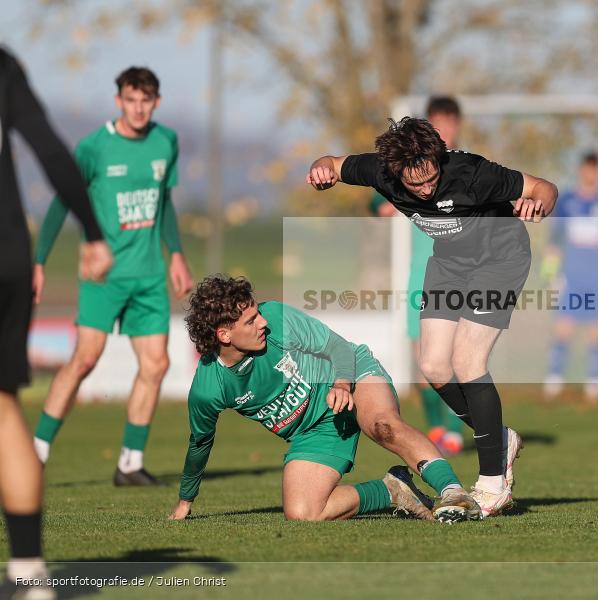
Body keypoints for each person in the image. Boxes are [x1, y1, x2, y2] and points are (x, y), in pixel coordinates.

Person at [307, 117, 558, 516]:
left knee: (468, 361)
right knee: (433, 366)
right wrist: (321, 169)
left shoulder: (472, 172)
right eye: (415, 184)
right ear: (394, 172)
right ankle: (499, 439)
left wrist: (539, 203)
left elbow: (544, 187)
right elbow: (333, 162)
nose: (426, 189)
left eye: (432, 179)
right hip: (450, 264)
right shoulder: (380, 170)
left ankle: (494, 484)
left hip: (500, 260)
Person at [168, 275, 480, 524]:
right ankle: (392, 491)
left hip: (351, 375)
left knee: (383, 425)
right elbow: (200, 443)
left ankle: (453, 493)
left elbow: (338, 346)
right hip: (315, 431)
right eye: (250, 321)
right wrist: (185, 501)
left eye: (257, 314)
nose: (262, 322)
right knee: (304, 513)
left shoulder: (275, 316)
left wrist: (342, 383)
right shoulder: (208, 388)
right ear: (224, 335)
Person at [31, 67, 193, 486]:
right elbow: (61, 203)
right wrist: (39, 261)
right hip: (104, 274)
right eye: (130, 100)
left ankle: (130, 463)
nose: (138, 108)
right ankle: (36, 452)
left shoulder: (165, 142)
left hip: (149, 275)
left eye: (146, 100)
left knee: (156, 365)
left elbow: (164, 202)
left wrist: (175, 253)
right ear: (118, 101)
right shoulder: (94, 148)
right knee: (85, 359)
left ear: (156, 102)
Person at [0, 47, 112, 598]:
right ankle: (29, 572)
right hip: (8, 257)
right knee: (2, 409)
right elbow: (49, 150)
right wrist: (92, 231)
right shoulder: (3, 63)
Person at [368, 96, 466, 455]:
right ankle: (437, 427)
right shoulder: (410, 170)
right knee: (422, 356)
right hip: (418, 274)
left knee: (449, 356)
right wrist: (382, 206)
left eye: (449, 122)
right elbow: (378, 199)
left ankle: (454, 430)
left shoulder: (465, 168)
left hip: (455, 275)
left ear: (457, 125)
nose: (444, 128)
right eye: (437, 121)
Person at [542, 151, 598, 403]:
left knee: (597, 331)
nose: (591, 173)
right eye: (587, 168)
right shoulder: (567, 200)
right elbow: (555, 241)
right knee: (563, 329)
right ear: (581, 170)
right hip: (572, 276)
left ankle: (594, 383)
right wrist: (551, 273)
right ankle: (554, 379)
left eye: (595, 169)